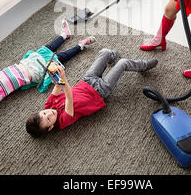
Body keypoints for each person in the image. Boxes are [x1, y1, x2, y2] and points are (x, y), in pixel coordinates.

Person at [26, 48, 158, 137]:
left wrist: (57, 76)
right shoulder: (62, 121)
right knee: (123, 63)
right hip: (100, 91)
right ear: (51, 127)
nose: (49, 113)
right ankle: (143, 65)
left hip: (86, 81)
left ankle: (110, 57)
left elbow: (58, 87)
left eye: (44, 113)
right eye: (49, 119)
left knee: (105, 52)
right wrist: (64, 79)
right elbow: (69, 98)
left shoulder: (49, 105)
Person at [0, 20, 96, 103]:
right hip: (34, 72)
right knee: (59, 57)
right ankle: (81, 45)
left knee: (47, 48)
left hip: (26, 63)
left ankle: (64, 35)